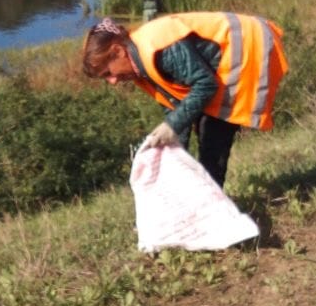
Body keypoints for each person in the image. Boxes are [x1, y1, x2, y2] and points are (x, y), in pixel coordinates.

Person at [82, 11, 288, 189]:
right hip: (223, 63)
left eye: (107, 73)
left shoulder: (159, 50)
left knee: (212, 139)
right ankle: (200, 209)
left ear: (117, 52)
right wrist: (173, 149)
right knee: (204, 133)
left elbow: (205, 85)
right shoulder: (138, 62)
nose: (112, 81)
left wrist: (171, 126)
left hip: (248, 47)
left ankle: (210, 214)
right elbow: (175, 104)